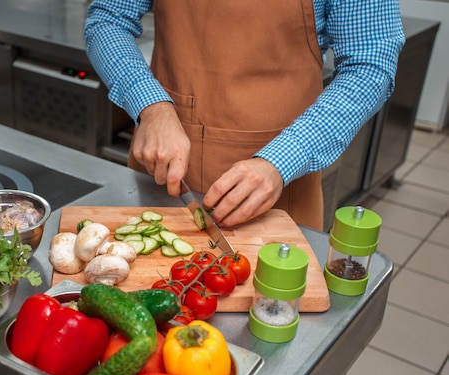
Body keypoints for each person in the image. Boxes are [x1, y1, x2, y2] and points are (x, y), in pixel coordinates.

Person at [84, 0, 405, 230]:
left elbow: (370, 66)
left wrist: (282, 160)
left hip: (279, 180)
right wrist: (151, 106)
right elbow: (108, 18)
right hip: (162, 166)